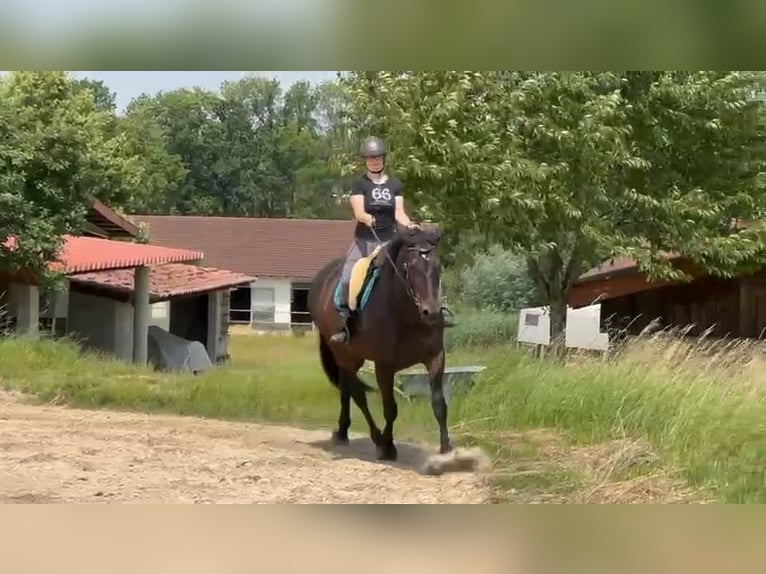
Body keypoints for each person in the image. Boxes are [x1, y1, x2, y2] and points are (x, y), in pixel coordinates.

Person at [330, 136, 453, 344]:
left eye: (377, 158)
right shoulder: (360, 184)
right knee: (348, 277)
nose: (374, 161)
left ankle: (435, 309)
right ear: (366, 161)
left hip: (390, 240)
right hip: (365, 240)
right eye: (371, 158)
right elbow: (359, 211)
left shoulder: (394, 184)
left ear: (383, 159)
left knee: (422, 268)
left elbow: (399, 213)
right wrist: (367, 218)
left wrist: (410, 224)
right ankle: (346, 323)